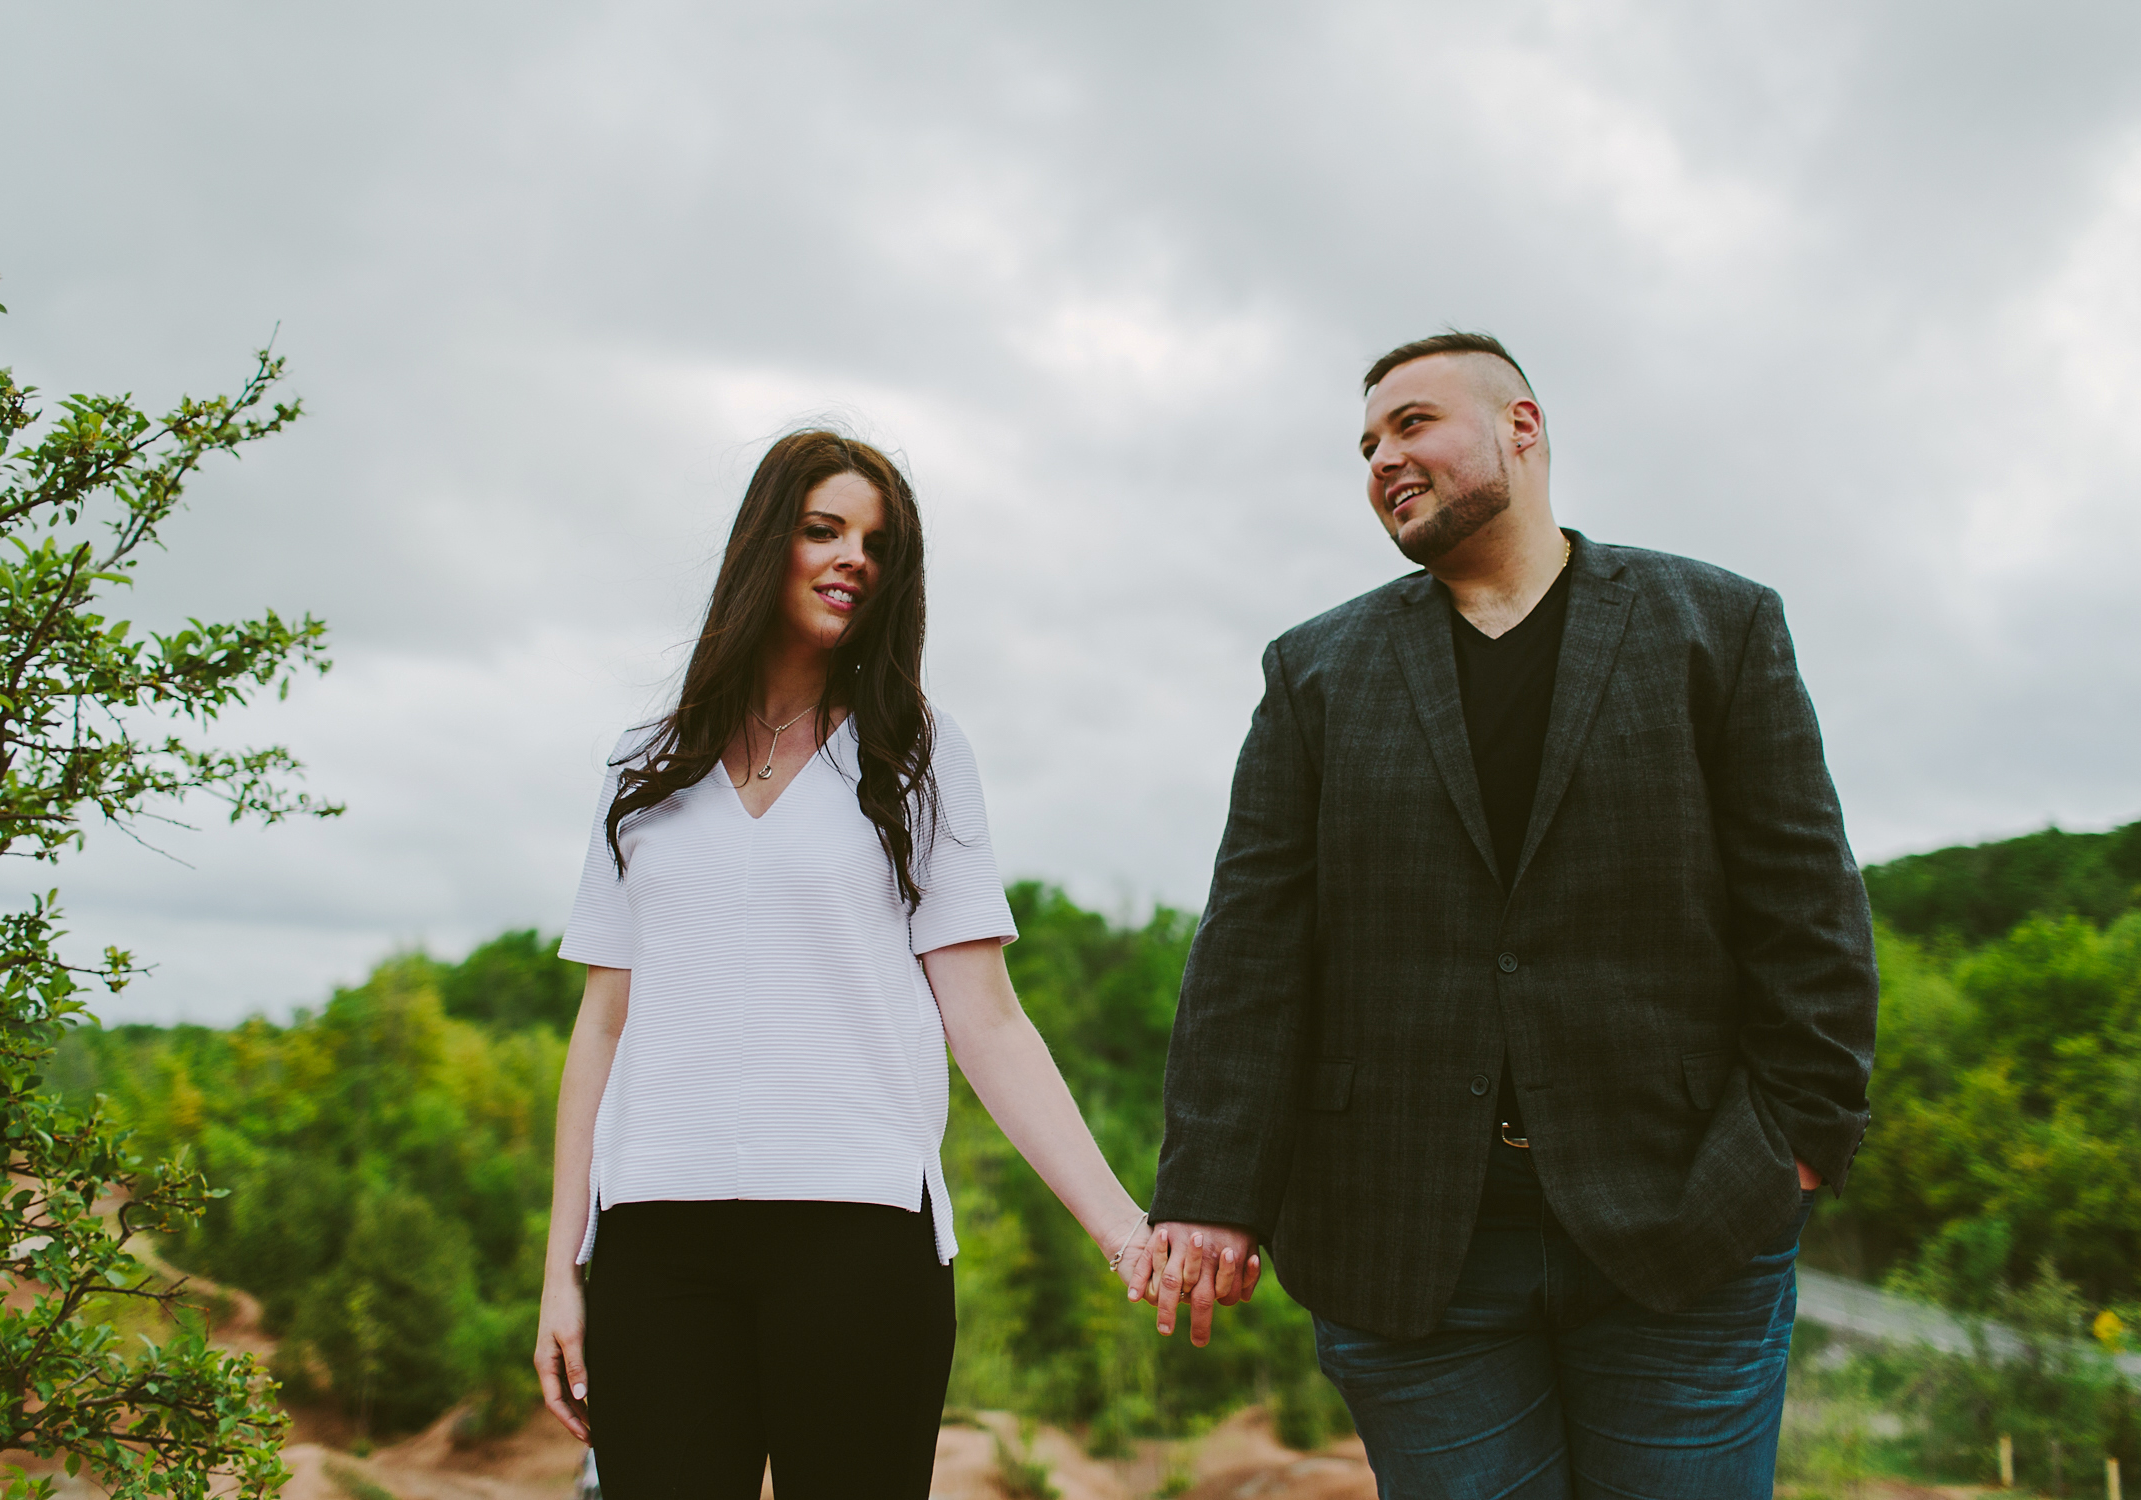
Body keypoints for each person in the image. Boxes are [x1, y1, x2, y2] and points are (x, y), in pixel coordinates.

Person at [1142, 334, 1877, 1498]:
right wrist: (1210, 1189)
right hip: (1407, 1241)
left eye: (1413, 423)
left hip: (1689, 1226)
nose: (1385, 456)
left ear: (1521, 430)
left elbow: (1811, 917)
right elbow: (1251, 946)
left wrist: (1789, 1147)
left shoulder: (1717, 626)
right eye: (1368, 444)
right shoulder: (1314, 671)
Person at [533, 430, 1157, 1498]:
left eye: (878, 543)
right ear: (764, 544)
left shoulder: (916, 753)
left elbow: (989, 1021)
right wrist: (563, 1271)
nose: (853, 558)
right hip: (656, 1242)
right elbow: (602, 1025)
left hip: (858, 1238)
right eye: (824, 529)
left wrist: (1121, 1229)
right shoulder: (643, 766)